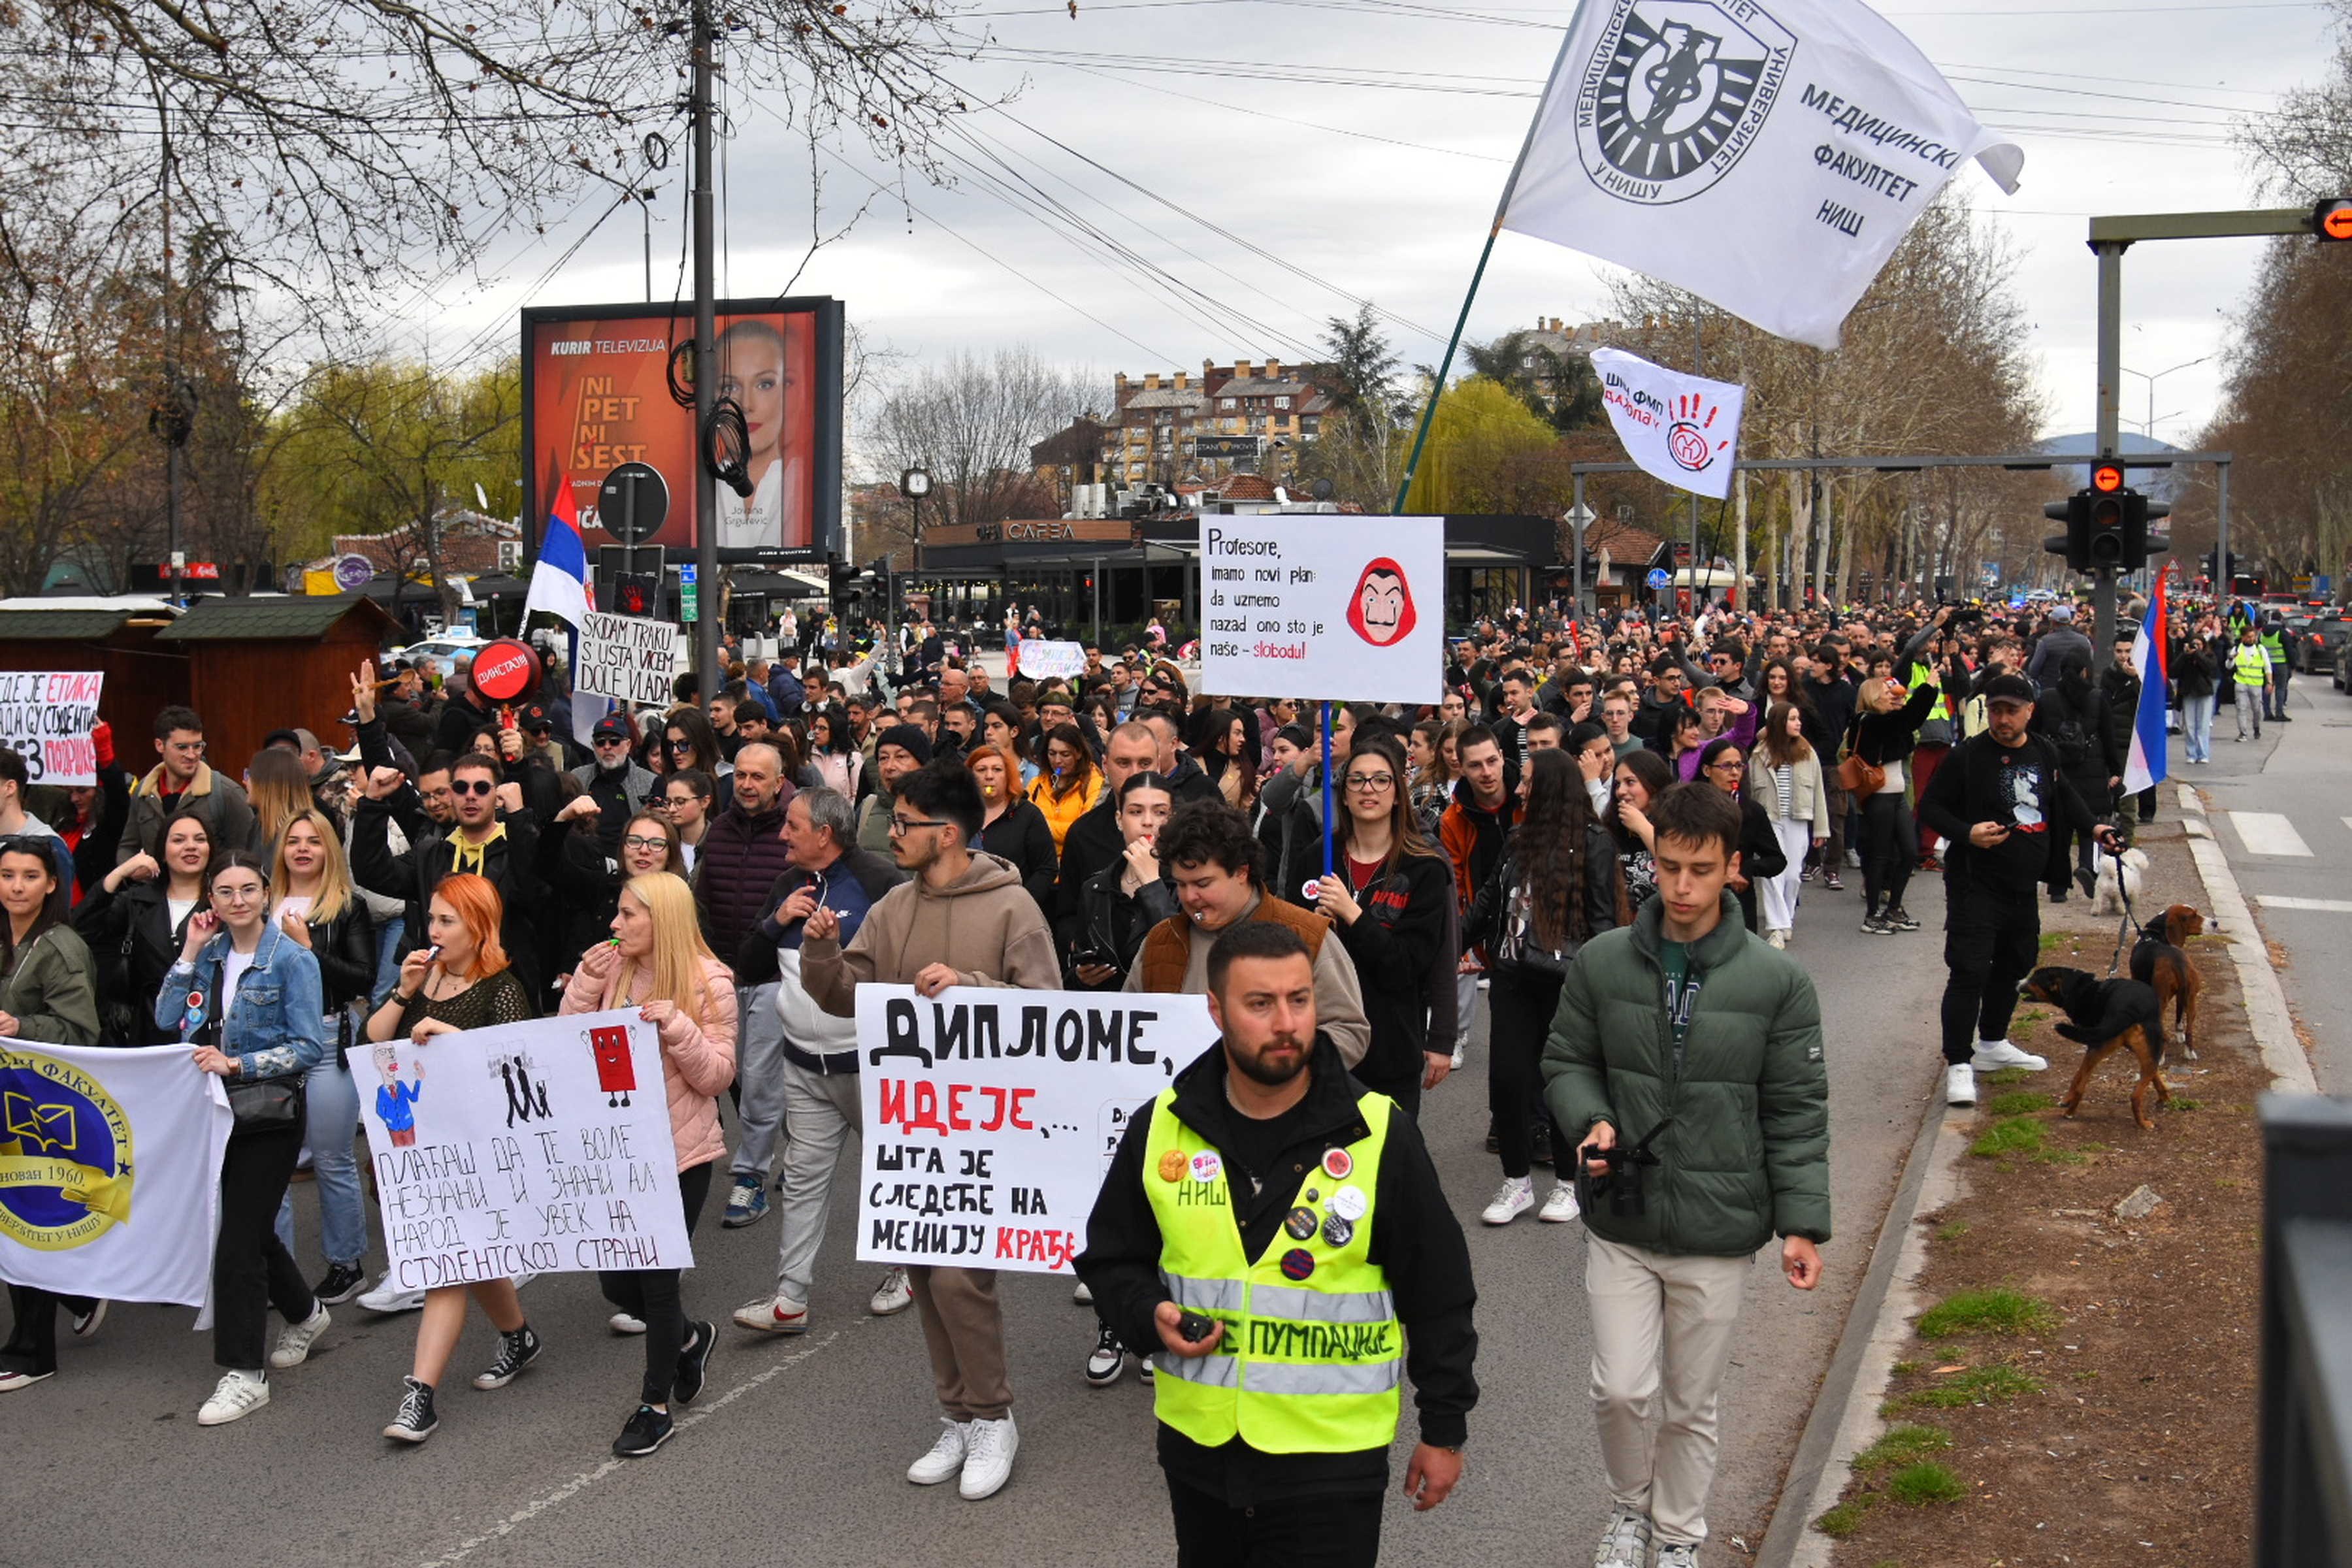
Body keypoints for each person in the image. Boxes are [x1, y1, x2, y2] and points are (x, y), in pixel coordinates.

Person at [1075, 920, 1478, 1567]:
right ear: (1216, 1010)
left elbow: (1439, 1293)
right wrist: (1148, 1314)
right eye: (1260, 1004)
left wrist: (1445, 1429)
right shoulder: (1160, 1128)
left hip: (1332, 1462)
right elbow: (1110, 1257)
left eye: (1299, 999)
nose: (1286, 1021)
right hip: (1200, 1453)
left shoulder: (1380, 1135)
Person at [1542, 782, 1830, 1568]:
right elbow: (1566, 1060)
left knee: (1689, 1403)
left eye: (1700, 870)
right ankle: (1630, 1510)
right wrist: (1589, 1117)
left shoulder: (1778, 983)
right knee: (1623, 1390)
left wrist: (1802, 1222)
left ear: (1733, 867)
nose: (1681, 887)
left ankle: (1678, 1536)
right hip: (1622, 1215)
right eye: (1668, 867)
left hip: (1719, 1220)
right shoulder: (1603, 962)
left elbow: (1797, 1108)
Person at [800, 760, 1060, 1501]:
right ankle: (959, 1414)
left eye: (906, 822)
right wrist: (821, 948)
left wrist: (972, 988)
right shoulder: (891, 906)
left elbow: (1047, 1010)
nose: (892, 832)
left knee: (959, 1277)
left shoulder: (1013, 908)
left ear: (947, 833)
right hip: (911, 1123)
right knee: (921, 1271)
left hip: (988, 1125)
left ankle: (995, 1417)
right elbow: (847, 995)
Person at [563, 872, 738, 1456]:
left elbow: (717, 1076)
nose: (614, 925)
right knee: (618, 1285)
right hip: (621, 1157)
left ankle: (654, 1406)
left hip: (682, 1158)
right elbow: (568, 1047)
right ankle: (692, 1339)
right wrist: (585, 983)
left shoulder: (709, 980)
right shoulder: (612, 969)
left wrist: (678, 1025)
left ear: (661, 919)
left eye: (628, 915)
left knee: (659, 1286)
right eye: (617, 913)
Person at [730, 785, 914, 1332]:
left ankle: (907, 1271)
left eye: (792, 826)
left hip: (870, 1067)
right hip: (804, 1067)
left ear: (824, 835)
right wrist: (776, 919)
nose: (782, 835)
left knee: (896, 1172)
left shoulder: (883, 883)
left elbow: (906, 967)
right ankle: (791, 1298)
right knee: (805, 1180)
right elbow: (749, 964)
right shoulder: (788, 884)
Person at [158, 851, 332, 1427]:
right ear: (211, 901)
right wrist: (186, 954)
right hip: (213, 1117)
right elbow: (167, 1019)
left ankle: (242, 1373)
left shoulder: (292, 959)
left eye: (248, 890)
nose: (237, 901)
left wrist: (238, 1064)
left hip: (270, 1114)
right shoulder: (206, 956)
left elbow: (308, 1048)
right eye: (225, 892)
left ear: (266, 894)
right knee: (249, 1227)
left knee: (235, 1241)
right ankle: (306, 1313)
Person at [364, 875, 540, 1443]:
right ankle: (518, 1337)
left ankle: (420, 1396)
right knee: (472, 1258)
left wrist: (455, 1041)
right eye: (432, 920)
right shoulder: (428, 976)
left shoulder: (502, 987)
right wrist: (401, 991)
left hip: (481, 1153)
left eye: (447, 922)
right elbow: (376, 1041)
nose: (433, 932)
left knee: (448, 1265)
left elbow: (517, 1071)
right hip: (425, 1148)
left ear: (479, 927)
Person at [1918, 674, 2123, 1107]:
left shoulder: (2043, 750)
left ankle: (1992, 1044)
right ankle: (1959, 1063)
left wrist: (2097, 827)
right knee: (1969, 969)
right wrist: (1967, 832)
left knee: (2018, 963)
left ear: (2030, 710)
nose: (2003, 718)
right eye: (1995, 710)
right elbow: (1931, 805)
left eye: (2011, 710)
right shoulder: (1968, 756)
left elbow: (2065, 798)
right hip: (1975, 884)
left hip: (2022, 887)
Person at [1467, 749, 1625, 1227]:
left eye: (1529, 783)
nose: (1519, 789)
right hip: (1513, 978)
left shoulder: (1596, 843)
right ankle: (1516, 1183)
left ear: (1552, 789)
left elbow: (1603, 923)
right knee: (1508, 1083)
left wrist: (1599, 991)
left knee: (1561, 1086)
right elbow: (1488, 903)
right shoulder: (1517, 839)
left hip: (1567, 987)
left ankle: (1565, 1183)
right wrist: (1447, 942)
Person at [0, 838, 103, 1393]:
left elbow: (82, 1033)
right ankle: (79, 1295)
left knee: (23, 1218)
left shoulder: (60, 947)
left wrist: (22, 1027)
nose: (16, 886)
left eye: (29, 876)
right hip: (3, 1097)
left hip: (38, 1109)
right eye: (7, 875)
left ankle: (32, 1351)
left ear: (50, 884)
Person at [269, 809, 377, 1308]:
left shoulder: (346, 906)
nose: (304, 849)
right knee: (272, 1163)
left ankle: (346, 1263)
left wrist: (308, 950)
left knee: (332, 1157)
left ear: (329, 849)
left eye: (315, 840)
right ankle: (276, 1268)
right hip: (269, 1047)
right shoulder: (260, 902)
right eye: (294, 841)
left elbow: (361, 978)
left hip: (329, 1036)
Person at [1312, 734, 1452, 1119]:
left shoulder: (1425, 869)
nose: (1368, 789)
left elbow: (1407, 967)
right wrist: (1313, 931)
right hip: (1321, 1047)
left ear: (1397, 792)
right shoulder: (1318, 857)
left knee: (1389, 1168)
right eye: (1356, 780)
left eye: (1381, 779)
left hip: (1390, 1046)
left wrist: (1354, 916)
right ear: (1342, 793)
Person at [74, 813, 216, 1046]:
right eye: (179, 840)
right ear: (161, 850)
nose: (191, 847)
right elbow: (85, 928)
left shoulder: (224, 902)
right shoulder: (137, 900)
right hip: (146, 1030)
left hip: (206, 1032)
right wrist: (120, 874)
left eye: (200, 840)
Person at [1068, 772, 1178, 996]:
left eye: (1160, 812)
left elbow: (1180, 953)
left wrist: (1151, 884)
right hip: (1109, 1018)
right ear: (1119, 820)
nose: (1148, 822)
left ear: (1172, 820)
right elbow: (1074, 970)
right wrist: (1080, 978)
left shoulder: (1186, 885)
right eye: (1136, 812)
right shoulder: (1095, 888)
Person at [1845, 671, 1936, 936]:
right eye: (1886, 694)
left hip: (1897, 797)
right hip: (1880, 797)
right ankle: (1872, 915)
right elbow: (1908, 718)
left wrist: (1922, 696)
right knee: (1880, 856)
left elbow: (1910, 722)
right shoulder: (1867, 721)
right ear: (1873, 696)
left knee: (1909, 851)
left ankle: (1894, 908)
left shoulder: (1888, 722)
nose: (1892, 698)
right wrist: (1927, 688)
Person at [712, 317, 808, 548]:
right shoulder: (690, 492)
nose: (746, 404)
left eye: (764, 384)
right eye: (730, 387)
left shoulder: (807, 487)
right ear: (712, 397)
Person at [118, 706, 255, 866]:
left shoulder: (226, 793)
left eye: (197, 746)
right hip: (155, 888)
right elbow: (127, 847)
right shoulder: (143, 792)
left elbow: (248, 855)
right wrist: (133, 869)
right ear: (159, 745)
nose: (191, 755)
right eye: (182, 747)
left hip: (208, 889)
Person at [1748, 704, 1828, 949]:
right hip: (1769, 821)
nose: (1798, 723)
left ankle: (1787, 920)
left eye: (1798, 719)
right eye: (1792, 719)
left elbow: (1818, 792)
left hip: (1798, 818)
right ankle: (1776, 927)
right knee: (1774, 874)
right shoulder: (1759, 754)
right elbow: (1751, 792)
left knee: (1793, 875)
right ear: (1779, 721)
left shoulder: (1807, 752)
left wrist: (1821, 829)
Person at [1693, 737, 1788, 936]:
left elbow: (1777, 861)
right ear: (1707, 770)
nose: (1734, 772)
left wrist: (1746, 868)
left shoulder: (1751, 812)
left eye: (1739, 766)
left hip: (1738, 905)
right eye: (1726, 766)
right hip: (1698, 900)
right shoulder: (1690, 809)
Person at [966, 740, 1057, 915]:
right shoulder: (959, 815)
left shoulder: (1028, 814)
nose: (989, 776)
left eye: (997, 770)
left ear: (1009, 775)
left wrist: (1021, 903)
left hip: (1015, 912)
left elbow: (1046, 868)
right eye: (981, 770)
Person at [576, 714, 659, 862]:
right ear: (593, 746)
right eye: (600, 742)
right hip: (586, 864)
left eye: (614, 742)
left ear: (628, 745)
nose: (607, 747)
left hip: (629, 865)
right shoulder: (578, 777)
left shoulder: (650, 782)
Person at [1609, 749, 1674, 915]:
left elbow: (1677, 863)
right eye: (1617, 784)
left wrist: (1643, 827)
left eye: (1630, 782)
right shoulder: (1611, 826)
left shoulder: (1677, 823)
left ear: (1653, 783)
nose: (1621, 791)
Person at [2228, 621, 2269, 742]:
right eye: (2249, 637)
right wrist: (2231, 659)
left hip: (2256, 684)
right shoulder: (2237, 649)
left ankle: (2256, 727)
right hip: (2241, 682)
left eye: (2253, 636)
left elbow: (2267, 667)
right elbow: (2229, 666)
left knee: (2257, 710)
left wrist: (2270, 683)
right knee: (2241, 708)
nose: (2252, 639)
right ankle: (2243, 733)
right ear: (2243, 637)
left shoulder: (2260, 649)